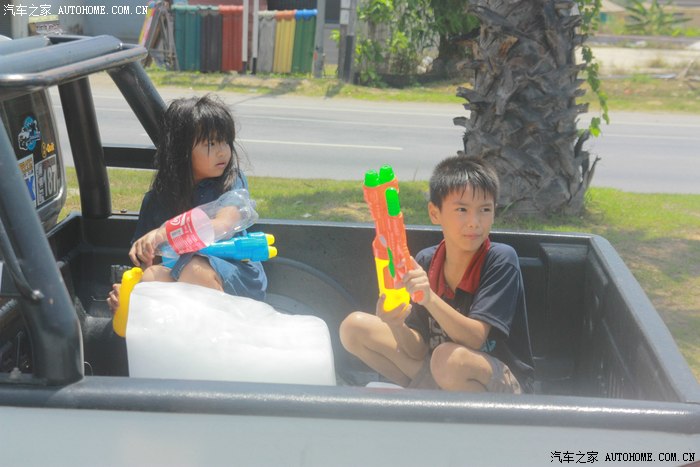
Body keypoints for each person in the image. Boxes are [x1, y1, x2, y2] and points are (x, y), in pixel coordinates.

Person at [340, 156, 534, 393]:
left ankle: (448, 406)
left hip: (502, 388)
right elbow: (417, 350)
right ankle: (429, 399)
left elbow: (474, 339)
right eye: (462, 209)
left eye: (485, 210)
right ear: (435, 213)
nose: (474, 222)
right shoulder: (427, 261)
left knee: (448, 360)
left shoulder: (501, 259)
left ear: (494, 213)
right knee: (354, 328)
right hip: (443, 372)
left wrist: (429, 298)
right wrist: (397, 325)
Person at [107, 94, 267, 311]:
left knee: (194, 269)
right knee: (151, 277)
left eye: (225, 141)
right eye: (211, 143)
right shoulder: (156, 201)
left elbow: (223, 224)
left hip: (235, 273)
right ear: (181, 150)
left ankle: (220, 329)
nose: (223, 151)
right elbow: (149, 264)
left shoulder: (230, 183)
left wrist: (165, 231)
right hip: (183, 275)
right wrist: (131, 296)